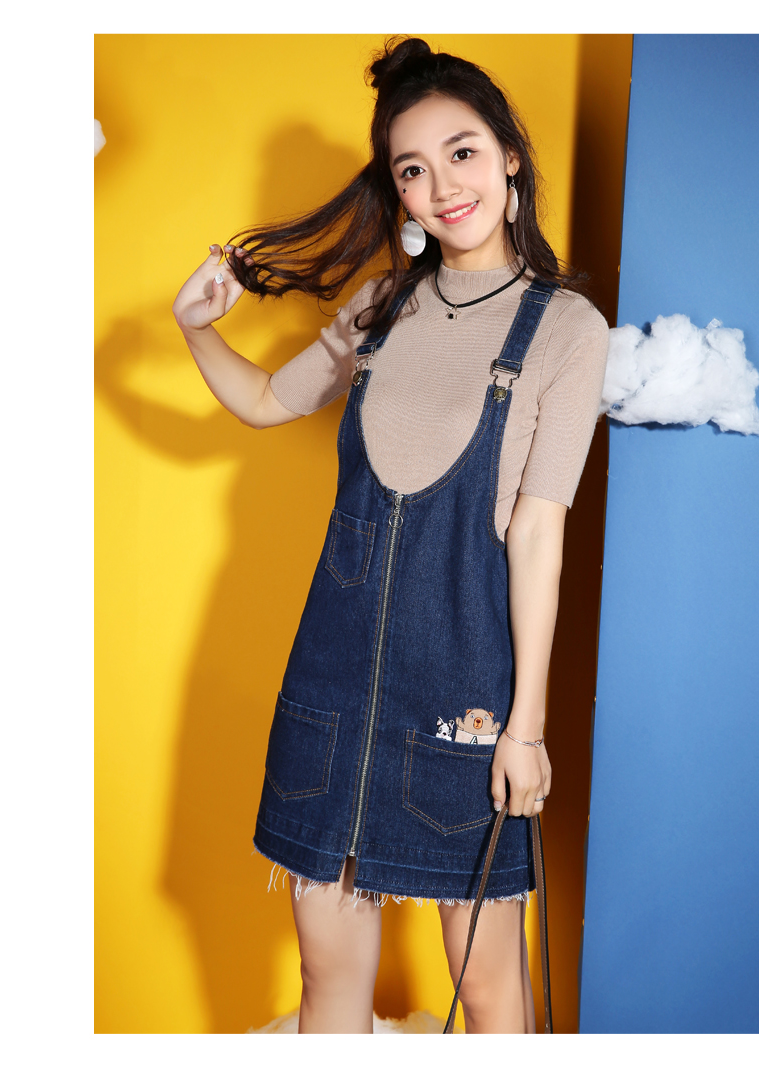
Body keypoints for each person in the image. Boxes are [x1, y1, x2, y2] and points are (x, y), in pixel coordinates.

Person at [172, 37, 609, 1034]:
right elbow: (268, 402)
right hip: (329, 687)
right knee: (327, 985)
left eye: (462, 153)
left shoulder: (564, 330)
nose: (442, 187)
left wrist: (526, 727)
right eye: (413, 169)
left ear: (508, 156)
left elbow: (537, 534)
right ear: (398, 193)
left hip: (466, 703)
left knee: (490, 991)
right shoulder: (380, 307)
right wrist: (196, 329)